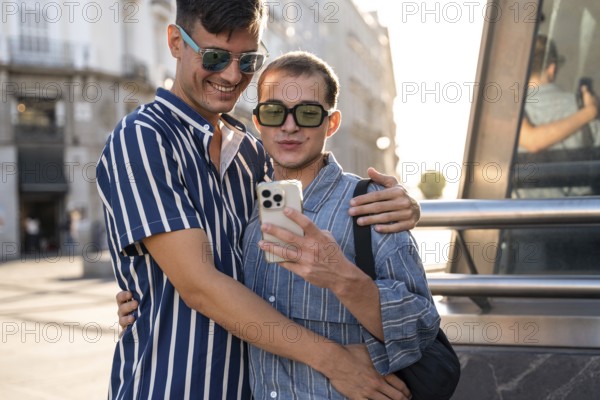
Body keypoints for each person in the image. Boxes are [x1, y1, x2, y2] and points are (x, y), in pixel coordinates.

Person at [100, 1, 418, 399]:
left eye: (247, 60)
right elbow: (199, 286)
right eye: (214, 57)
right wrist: (336, 362)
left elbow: (282, 262)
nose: (232, 76)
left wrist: (403, 204)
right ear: (175, 42)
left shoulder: (253, 155)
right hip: (169, 385)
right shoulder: (143, 138)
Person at [243, 51, 440, 398]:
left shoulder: (370, 206)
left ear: (330, 123)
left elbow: (421, 327)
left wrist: (342, 278)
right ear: (259, 121)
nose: (289, 126)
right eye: (274, 112)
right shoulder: (243, 207)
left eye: (307, 113)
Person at [515, 34, 599, 198]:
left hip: (521, 218)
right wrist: (591, 112)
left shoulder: (509, 113)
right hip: (581, 217)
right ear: (552, 69)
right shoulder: (584, 107)